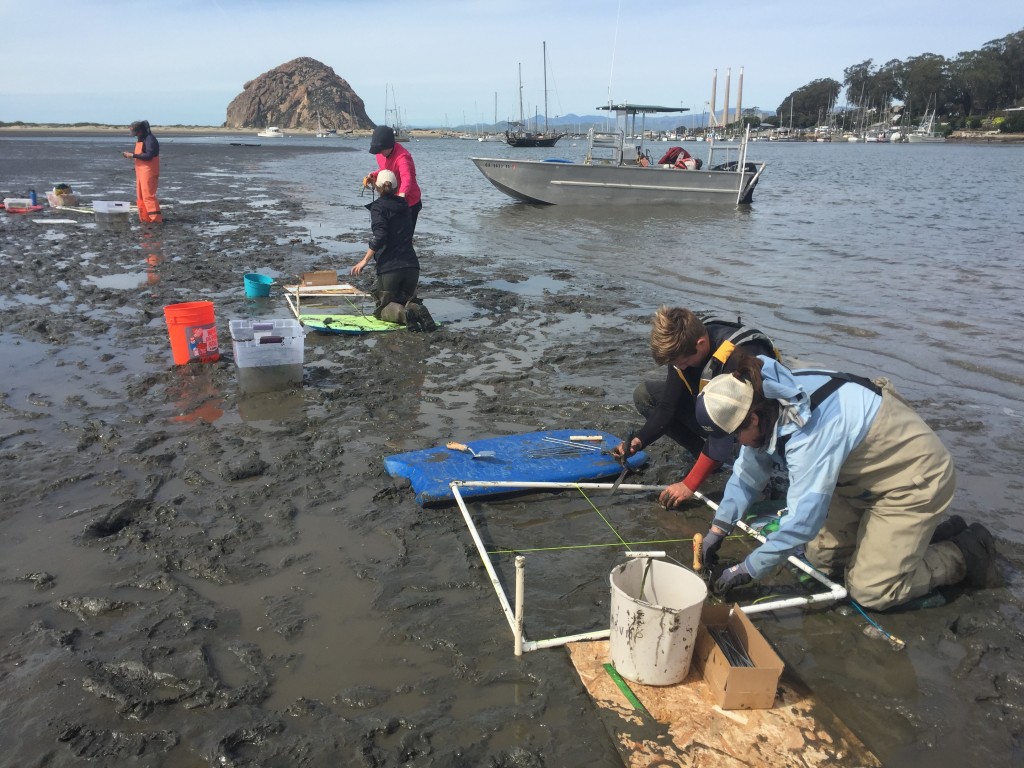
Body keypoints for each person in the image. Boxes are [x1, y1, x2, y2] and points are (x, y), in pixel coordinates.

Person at [695, 354, 1001, 611]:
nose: (737, 445)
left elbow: (802, 522)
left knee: (870, 590)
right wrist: (717, 530)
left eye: (735, 437)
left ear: (753, 420)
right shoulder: (765, 400)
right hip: (857, 479)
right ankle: (919, 541)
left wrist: (747, 569)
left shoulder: (809, 435)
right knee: (825, 561)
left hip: (912, 481)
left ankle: (965, 550)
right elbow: (749, 474)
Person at [613, 307, 778, 507]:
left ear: (700, 344)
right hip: (714, 414)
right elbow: (668, 406)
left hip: (753, 423)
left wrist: (689, 485)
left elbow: (736, 426)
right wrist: (639, 441)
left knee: (749, 457)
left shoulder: (741, 356)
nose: (680, 368)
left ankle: (723, 460)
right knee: (644, 395)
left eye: (683, 363)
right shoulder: (683, 348)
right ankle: (704, 455)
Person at [350, 170, 435, 331]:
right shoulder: (406, 206)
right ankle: (416, 308)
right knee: (406, 300)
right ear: (396, 187)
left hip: (390, 269)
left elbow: (380, 235)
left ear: (377, 188)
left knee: (383, 309)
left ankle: (404, 315)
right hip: (412, 267)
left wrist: (364, 260)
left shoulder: (378, 207)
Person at [364, 125, 422, 233]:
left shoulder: (403, 157)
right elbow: (385, 170)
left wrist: (401, 196)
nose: (379, 153)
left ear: (389, 146)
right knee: (389, 235)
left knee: (404, 238)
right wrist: (373, 175)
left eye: (380, 150)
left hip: (410, 202)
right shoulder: (380, 154)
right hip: (393, 200)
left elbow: (407, 178)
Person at [121, 120, 162, 223]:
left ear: (139, 130)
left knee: (148, 196)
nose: (134, 135)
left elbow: (149, 155)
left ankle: (155, 219)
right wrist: (130, 154)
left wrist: (133, 155)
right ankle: (145, 218)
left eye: (135, 132)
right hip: (140, 172)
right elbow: (141, 153)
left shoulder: (150, 139)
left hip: (149, 171)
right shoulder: (141, 139)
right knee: (140, 195)